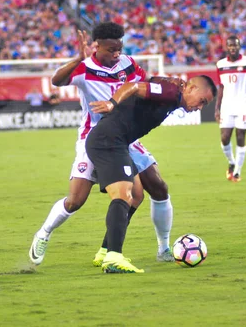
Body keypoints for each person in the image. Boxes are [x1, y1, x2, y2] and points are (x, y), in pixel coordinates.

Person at [29, 22, 176, 267]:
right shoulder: (84, 69)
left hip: (126, 137)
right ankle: (44, 233)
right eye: (111, 50)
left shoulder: (128, 64)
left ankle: (156, 249)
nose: (116, 54)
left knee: (152, 189)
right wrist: (77, 58)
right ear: (96, 47)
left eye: (119, 49)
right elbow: (57, 80)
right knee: (76, 200)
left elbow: (144, 85)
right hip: (94, 137)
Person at [86, 75, 216, 273]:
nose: (200, 107)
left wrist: (162, 78)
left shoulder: (171, 94)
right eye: (202, 101)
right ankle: (113, 257)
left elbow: (150, 84)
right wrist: (112, 103)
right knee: (123, 195)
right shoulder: (171, 93)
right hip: (109, 140)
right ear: (191, 89)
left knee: (137, 195)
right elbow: (134, 86)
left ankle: (104, 251)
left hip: (118, 142)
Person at [214, 36, 246, 182]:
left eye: (235, 45)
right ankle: (232, 162)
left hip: (243, 105)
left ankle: (238, 171)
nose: (232, 48)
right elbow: (221, 87)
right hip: (227, 106)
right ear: (226, 47)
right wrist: (217, 108)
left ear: (239, 47)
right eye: (230, 46)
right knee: (224, 137)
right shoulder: (220, 65)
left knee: (240, 137)